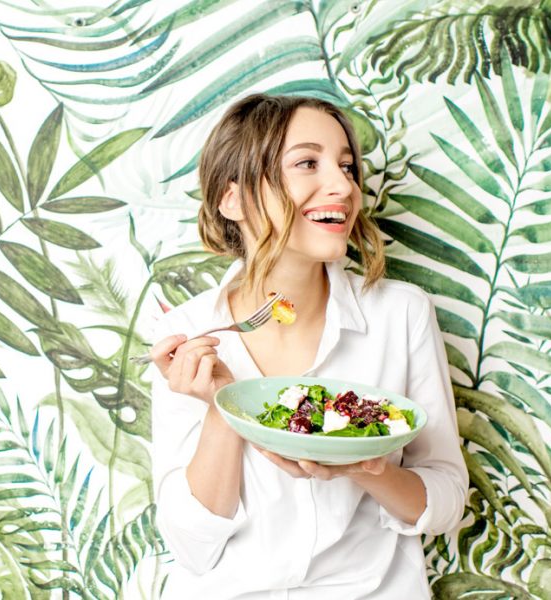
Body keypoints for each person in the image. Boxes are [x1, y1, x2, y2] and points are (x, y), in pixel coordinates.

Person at [148, 94, 468, 599]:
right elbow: (191, 548)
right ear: (233, 199)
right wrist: (222, 408)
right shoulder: (192, 336)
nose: (342, 186)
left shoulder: (401, 314)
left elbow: (447, 502)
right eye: (306, 163)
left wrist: (367, 466)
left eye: (346, 166)